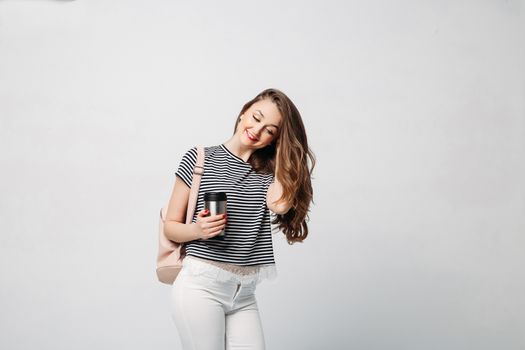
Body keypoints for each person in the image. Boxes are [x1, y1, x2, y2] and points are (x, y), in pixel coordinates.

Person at [163, 88, 315, 350]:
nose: (257, 130)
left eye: (270, 130)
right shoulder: (199, 159)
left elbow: (280, 205)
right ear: (244, 112)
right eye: (256, 118)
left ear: (275, 140)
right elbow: (170, 227)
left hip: (243, 294)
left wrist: (282, 153)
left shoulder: (268, 174)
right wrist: (198, 230)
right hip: (200, 286)